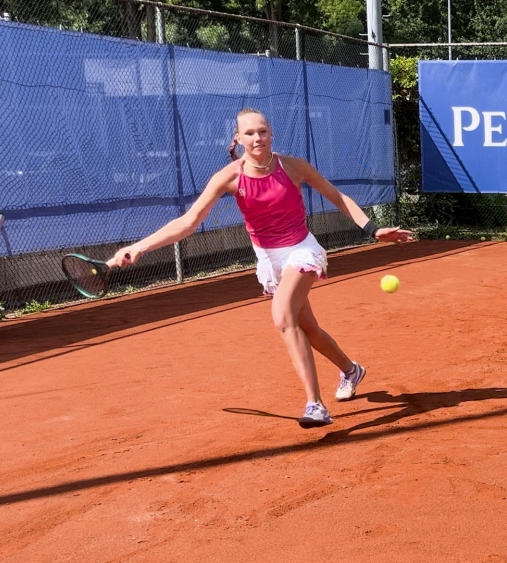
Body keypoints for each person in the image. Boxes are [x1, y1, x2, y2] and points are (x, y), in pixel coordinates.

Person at [108, 108, 412, 428]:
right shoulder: (229, 177)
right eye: (249, 133)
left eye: (262, 131)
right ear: (237, 139)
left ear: (271, 134)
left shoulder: (293, 167)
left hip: (301, 250)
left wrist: (373, 229)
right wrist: (139, 246)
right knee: (307, 329)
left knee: (282, 317)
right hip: (269, 260)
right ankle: (351, 370)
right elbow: (188, 222)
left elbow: (337, 197)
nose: (257, 138)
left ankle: (315, 404)